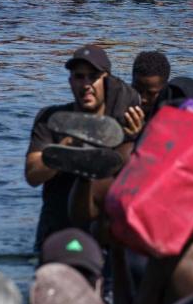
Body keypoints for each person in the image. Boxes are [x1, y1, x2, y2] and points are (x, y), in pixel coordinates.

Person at [24, 45, 140, 251]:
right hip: (56, 234)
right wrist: (68, 147)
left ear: (107, 80)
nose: (86, 84)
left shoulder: (123, 122)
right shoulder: (51, 119)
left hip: (100, 238)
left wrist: (137, 138)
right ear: (70, 81)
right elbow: (32, 175)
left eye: (93, 76)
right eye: (79, 76)